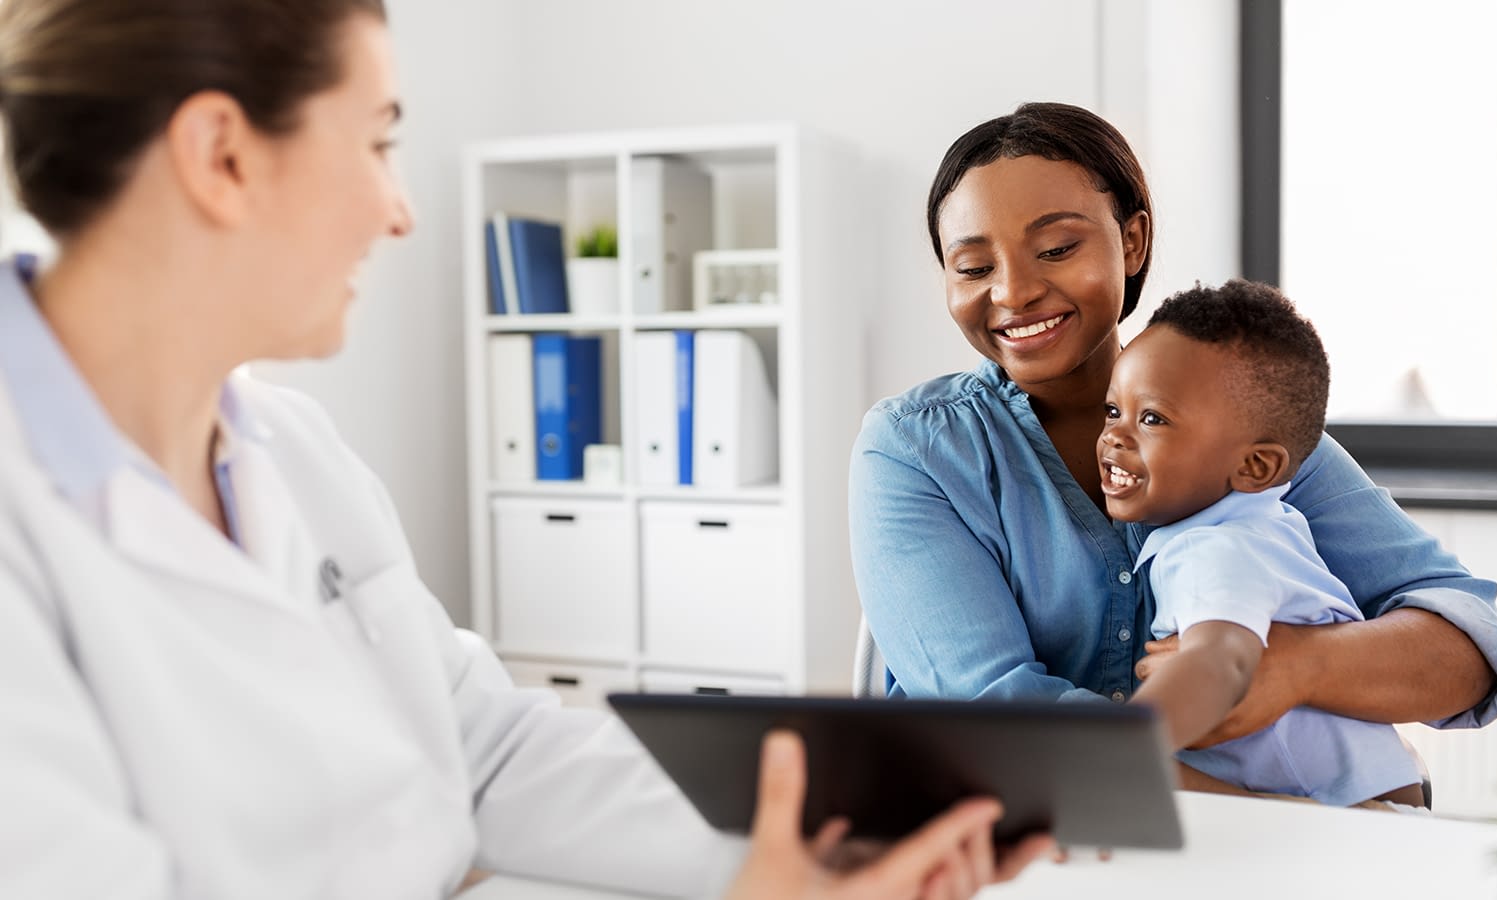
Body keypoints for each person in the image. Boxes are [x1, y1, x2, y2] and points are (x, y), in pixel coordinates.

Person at [0, 2, 1054, 897]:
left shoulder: (288, 449)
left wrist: (816, 845)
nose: (401, 210)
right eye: (376, 141)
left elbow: (487, 747)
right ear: (221, 157)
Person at [849, 102, 1497, 770]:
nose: (1014, 291)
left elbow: (1467, 651)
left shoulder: (1240, 417)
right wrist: (1255, 799)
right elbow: (996, 723)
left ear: (1133, 240)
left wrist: (1293, 666)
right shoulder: (916, 449)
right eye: (972, 268)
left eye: (1056, 249)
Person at [1104, 280, 1423, 807]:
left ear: (1255, 467)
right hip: (1351, 797)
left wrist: (1128, 742)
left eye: (1153, 418)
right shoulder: (1254, 526)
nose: (1115, 435)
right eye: (1113, 411)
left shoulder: (1221, 548)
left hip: (1356, 816)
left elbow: (1221, 661)